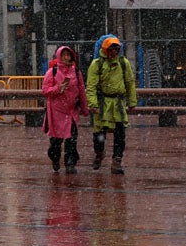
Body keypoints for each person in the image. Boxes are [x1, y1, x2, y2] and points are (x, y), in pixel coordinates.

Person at [86, 35, 136, 174]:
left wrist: (132, 102)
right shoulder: (97, 64)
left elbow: (129, 82)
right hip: (102, 104)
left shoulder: (123, 63)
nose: (115, 51)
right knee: (99, 134)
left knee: (120, 133)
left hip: (118, 104)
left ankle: (117, 160)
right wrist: (93, 104)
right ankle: (99, 153)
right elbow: (91, 85)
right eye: (112, 48)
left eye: (117, 48)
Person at [41, 46, 88, 174]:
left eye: (69, 55)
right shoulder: (52, 72)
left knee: (72, 139)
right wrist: (58, 88)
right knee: (56, 141)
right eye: (64, 55)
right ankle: (55, 158)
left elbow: (81, 92)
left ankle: (70, 163)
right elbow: (45, 90)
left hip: (71, 112)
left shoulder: (76, 72)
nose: (67, 58)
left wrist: (85, 108)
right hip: (56, 113)